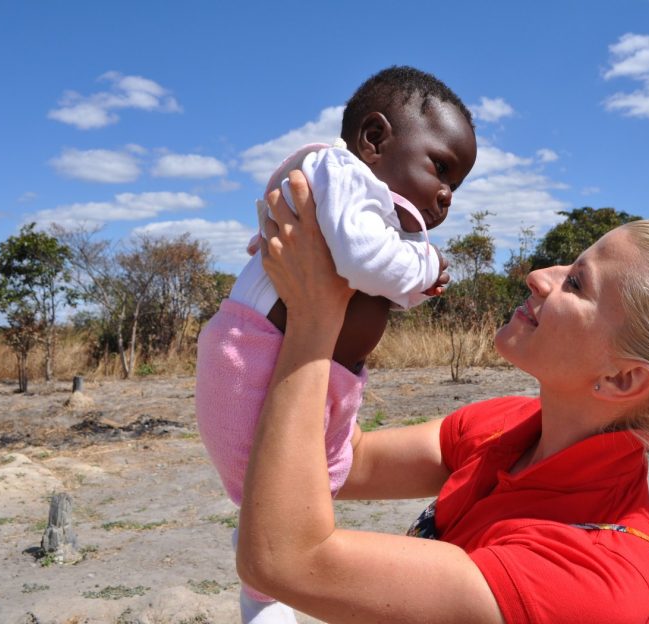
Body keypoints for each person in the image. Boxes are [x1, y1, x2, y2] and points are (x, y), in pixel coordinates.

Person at [237, 172, 649, 624]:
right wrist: (308, 302)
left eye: (576, 284)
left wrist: (315, 321)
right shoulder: (512, 424)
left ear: (620, 380)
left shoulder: (596, 575)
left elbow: (285, 559)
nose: (540, 275)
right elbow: (351, 462)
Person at [195, 66, 476, 623]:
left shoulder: (366, 211)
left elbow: (377, 283)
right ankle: (264, 582)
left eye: (456, 186)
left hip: (312, 376)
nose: (445, 195)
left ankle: (263, 578)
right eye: (441, 168)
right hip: (255, 369)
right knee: (282, 508)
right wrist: (425, 265)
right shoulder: (340, 172)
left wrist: (413, 280)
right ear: (374, 140)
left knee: (295, 503)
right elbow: (359, 261)